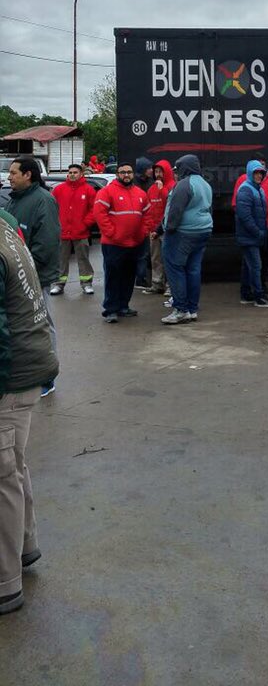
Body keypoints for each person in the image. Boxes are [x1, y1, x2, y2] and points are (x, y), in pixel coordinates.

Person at [0, 214, 59, 615]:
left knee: (2, 475)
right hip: (28, 363)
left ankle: (4, 584)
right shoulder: (3, 218)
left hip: (11, 372)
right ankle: (24, 546)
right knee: (12, 464)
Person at [6, 156, 60, 396]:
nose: (9, 176)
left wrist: (27, 272)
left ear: (28, 175)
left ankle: (47, 378)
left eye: (14, 172)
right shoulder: (14, 201)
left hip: (35, 276)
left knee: (42, 325)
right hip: (15, 276)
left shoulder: (43, 201)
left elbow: (46, 244)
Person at [93, 162, 154, 324]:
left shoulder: (140, 193)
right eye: (122, 172)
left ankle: (123, 306)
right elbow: (100, 215)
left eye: (129, 172)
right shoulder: (106, 192)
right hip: (113, 244)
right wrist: (113, 233)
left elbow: (147, 215)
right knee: (113, 277)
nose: (126, 175)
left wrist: (142, 233)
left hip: (135, 243)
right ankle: (111, 310)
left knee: (128, 276)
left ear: (133, 174)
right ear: (117, 174)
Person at [159, 154, 213, 325]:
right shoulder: (205, 184)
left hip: (183, 232)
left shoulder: (183, 185)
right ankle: (192, 309)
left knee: (175, 269)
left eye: (178, 168)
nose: (176, 172)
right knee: (193, 270)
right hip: (203, 231)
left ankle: (181, 309)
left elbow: (175, 211)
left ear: (185, 168)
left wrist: (168, 229)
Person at [232, 158, 268, 288]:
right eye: (256, 171)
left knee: (264, 258)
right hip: (253, 230)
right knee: (253, 262)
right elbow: (240, 208)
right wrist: (254, 228)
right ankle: (255, 291)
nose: (259, 174)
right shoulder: (245, 185)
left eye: (261, 170)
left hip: (267, 227)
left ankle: (258, 287)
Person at [50, 163, 97, 296]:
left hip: (81, 232)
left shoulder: (88, 190)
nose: (72, 174)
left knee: (83, 259)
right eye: (70, 172)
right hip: (62, 232)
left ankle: (87, 284)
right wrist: (56, 224)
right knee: (61, 259)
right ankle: (58, 284)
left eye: (75, 172)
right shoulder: (59, 190)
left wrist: (85, 224)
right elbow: (52, 208)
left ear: (81, 174)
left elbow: (94, 210)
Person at [235, 160, 268, 308]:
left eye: (261, 173)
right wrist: (258, 231)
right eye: (256, 173)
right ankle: (259, 296)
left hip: (253, 235)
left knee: (248, 266)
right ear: (250, 173)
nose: (259, 175)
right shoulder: (247, 190)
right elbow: (244, 216)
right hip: (250, 236)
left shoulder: (257, 189)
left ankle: (246, 294)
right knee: (255, 265)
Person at [144, 160, 176, 294]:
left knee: (169, 259)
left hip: (166, 230)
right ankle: (157, 283)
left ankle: (170, 286)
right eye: (156, 172)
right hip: (154, 231)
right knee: (155, 258)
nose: (158, 175)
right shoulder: (151, 189)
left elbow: (171, 207)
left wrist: (162, 189)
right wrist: (150, 229)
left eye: (160, 172)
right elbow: (148, 210)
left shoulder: (172, 186)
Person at [134, 157, 154, 288]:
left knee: (144, 253)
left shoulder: (150, 182)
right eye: (149, 168)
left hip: (146, 222)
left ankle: (141, 277)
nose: (151, 170)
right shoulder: (135, 184)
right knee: (141, 253)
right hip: (137, 222)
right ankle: (139, 279)